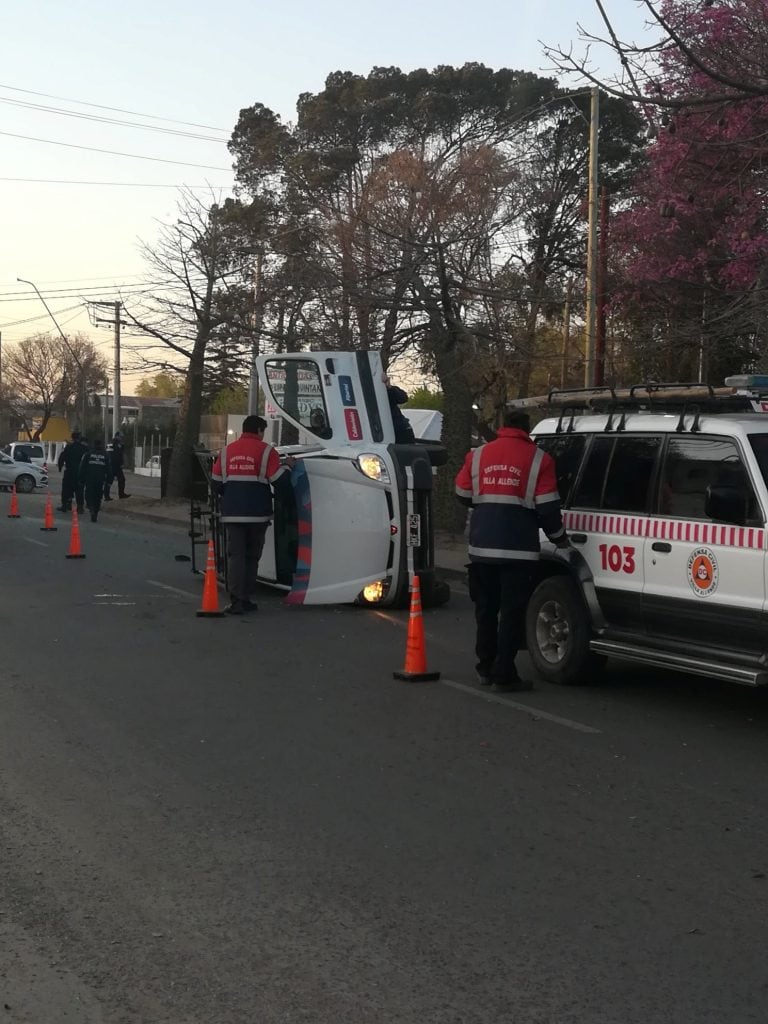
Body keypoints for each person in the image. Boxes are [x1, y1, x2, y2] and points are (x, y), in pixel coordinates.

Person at [455, 409, 569, 693]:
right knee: (512, 613)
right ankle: (503, 673)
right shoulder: (540, 460)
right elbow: (547, 507)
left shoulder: (478, 454)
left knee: (485, 610)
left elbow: (461, 493)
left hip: (481, 547)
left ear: (502, 426)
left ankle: (484, 667)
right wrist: (560, 539)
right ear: (527, 429)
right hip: (518, 550)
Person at [211, 414, 296, 615]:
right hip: (258, 514)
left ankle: (236, 600)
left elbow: (215, 483)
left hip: (232, 513)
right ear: (259, 430)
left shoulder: (226, 451)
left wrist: (232, 495)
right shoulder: (267, 451)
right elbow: (279, 481)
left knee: (236, 557)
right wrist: (288, 466)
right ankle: (247, 597)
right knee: (251, 557)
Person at [57, 431, 88, 513]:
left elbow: (62, 457)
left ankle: (65, 505)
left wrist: (60, 467)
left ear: (72, 438)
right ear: (79, 438)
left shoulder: (69, 447)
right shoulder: (84, 448)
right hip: (80, 473)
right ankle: (80, 507)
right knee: (79, 490)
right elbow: (87, 459)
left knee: (67, 489)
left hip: (69, 471)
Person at [79, 437, 109, 522]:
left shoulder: (88, 454)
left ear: (94, 445)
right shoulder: (105, 455)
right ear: (101, 445)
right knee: (98, 496)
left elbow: (82, 467)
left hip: (90, 479)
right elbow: (109, 469)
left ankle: (91, 507)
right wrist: (109, 480)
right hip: (100, 479)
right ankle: (95, 511)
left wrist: (81, 479)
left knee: (89, 493)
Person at [383, 374, 416, 444]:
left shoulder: (388, 391)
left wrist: (389, 387)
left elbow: (403, 398)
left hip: (401, 430)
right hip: (383, 433)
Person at [104, 431, 129, 501]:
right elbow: (118, 454)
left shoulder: (109, 443)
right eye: (121, 437)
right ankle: (121, 494)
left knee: (109, 480)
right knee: (121, 479)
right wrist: (121, 463)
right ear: (117, 436)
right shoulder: (118, 444)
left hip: (108, 464)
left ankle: (106, 496)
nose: (122, 438)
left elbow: (107, 453)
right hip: (116, 464)